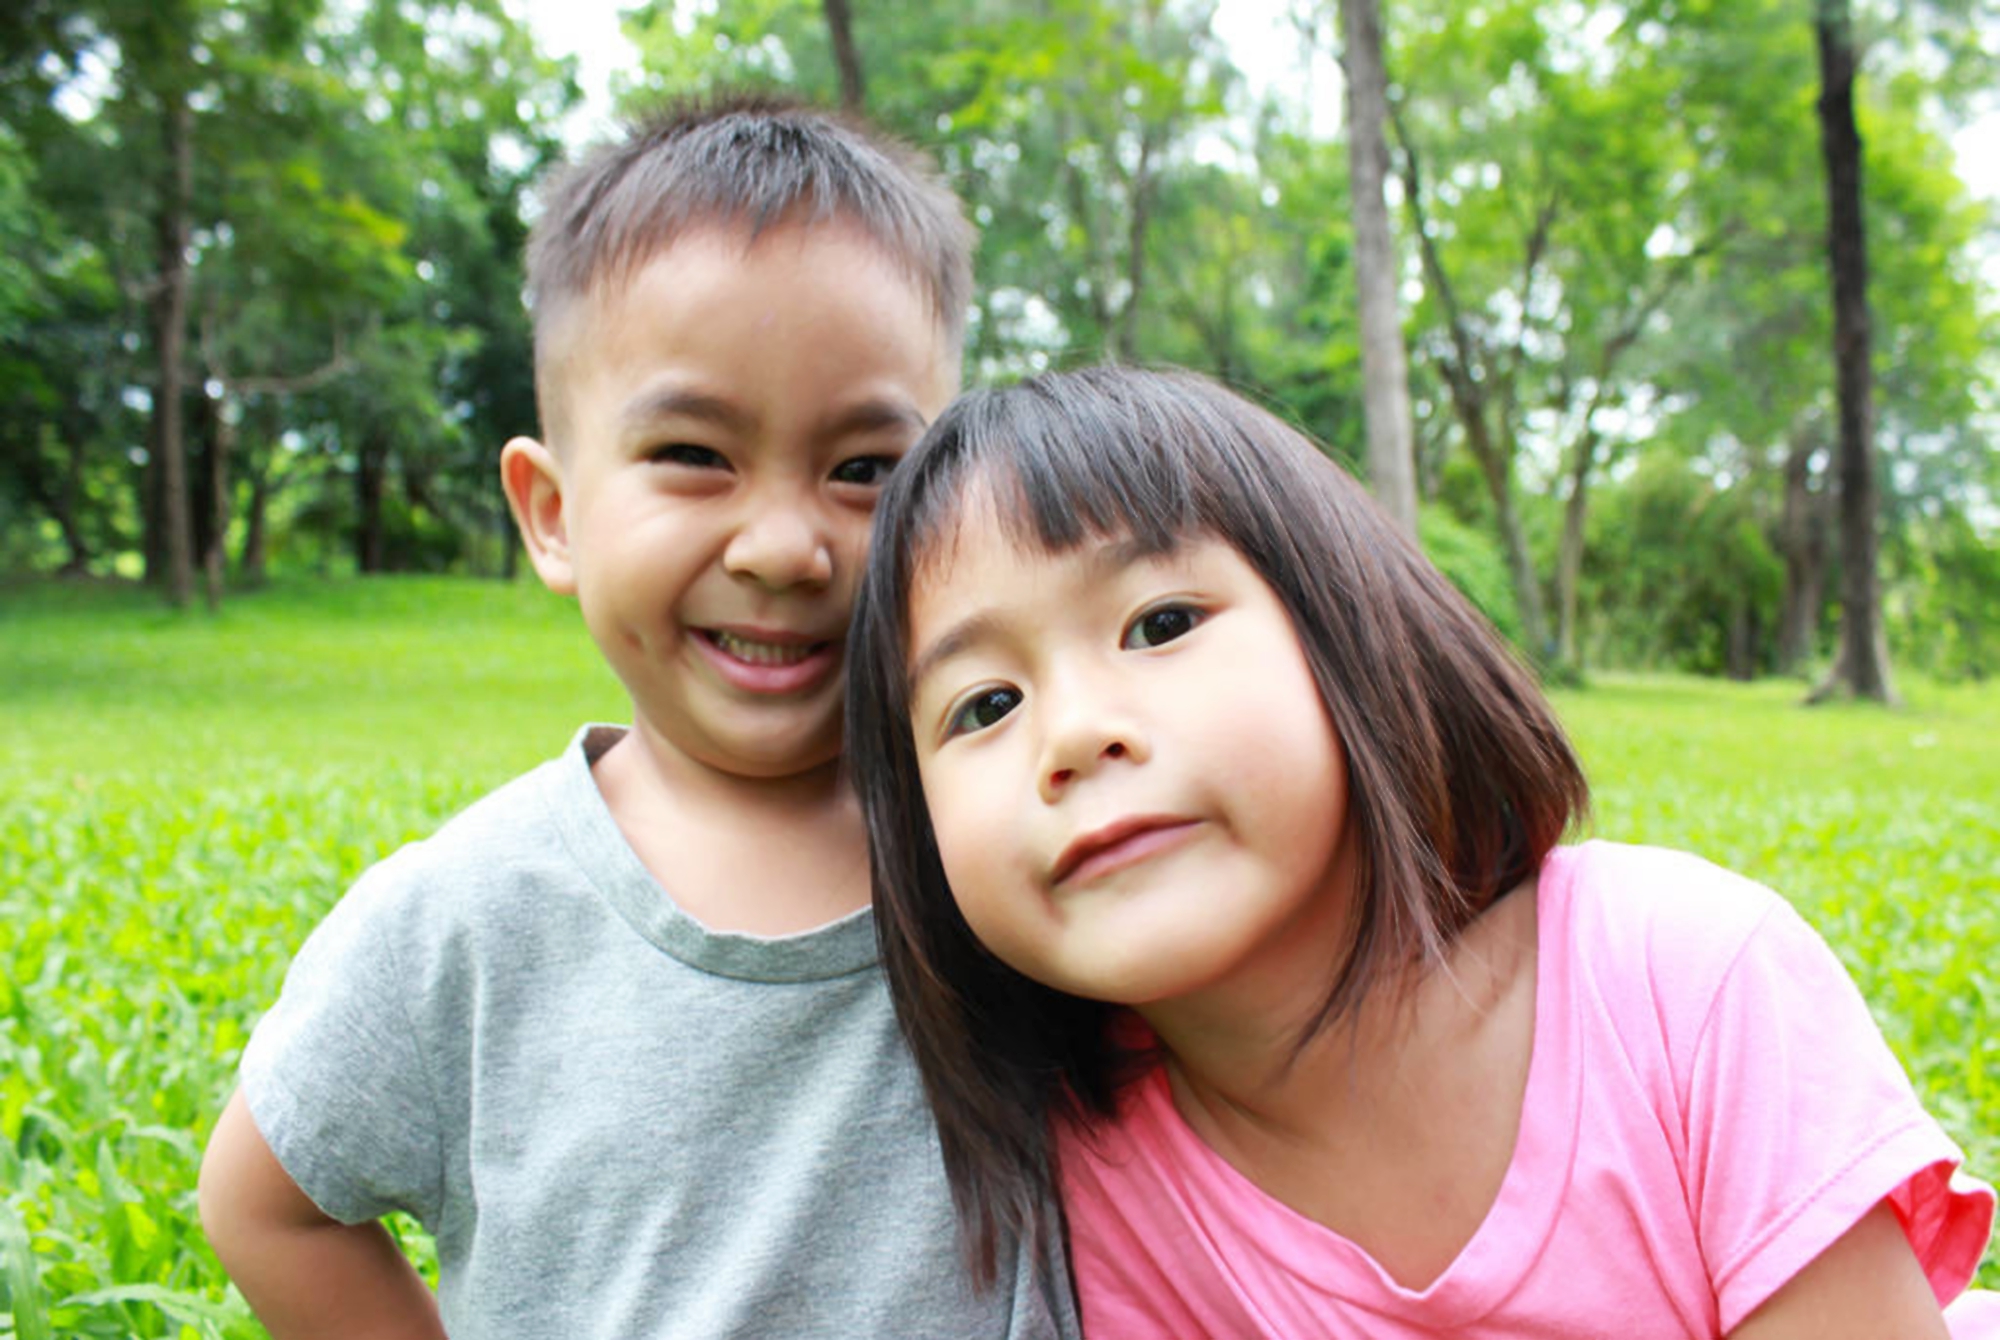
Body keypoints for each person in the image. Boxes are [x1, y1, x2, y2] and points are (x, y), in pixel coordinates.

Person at [843, 363, 1997, 1337]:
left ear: (1344, 626)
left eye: (1159, 623)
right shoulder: (1101, 1188)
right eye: (983, 704)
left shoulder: (1688, 987)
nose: (1070, 735)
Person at [197, 95, 1077, 1339]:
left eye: (866, 470)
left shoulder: (1020, 833)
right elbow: (264, 1202)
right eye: (693, 454)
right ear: (552, 512)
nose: (781, 547)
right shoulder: (465, 918)